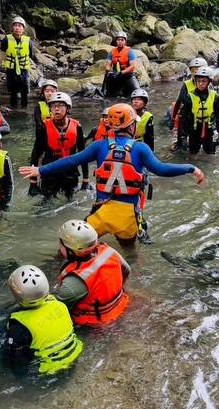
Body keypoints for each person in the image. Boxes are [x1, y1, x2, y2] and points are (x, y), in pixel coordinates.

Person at [19, 104, 205, 245]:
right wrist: (190, 168)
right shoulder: (140, 148)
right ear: (131, 126)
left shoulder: (100, 145)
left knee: (76, 245)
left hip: (101, 213)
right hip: (127, 217)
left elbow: (71, 160)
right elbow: (162, 170)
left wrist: (40, 170)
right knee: (131, 252)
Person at [6, 265, 83, 373]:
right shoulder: (60, 305)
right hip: (74, 356)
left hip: (49, 370)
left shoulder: (19, 326)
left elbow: (14, 357)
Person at [56, 220, 131, 326]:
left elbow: (57, 308)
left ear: (70, 250)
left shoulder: (72, 283)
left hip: (96, 324)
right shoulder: (110, 252)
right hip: (122, 304)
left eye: (61, 242)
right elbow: (127, 271)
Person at [29, 92, 88, 200]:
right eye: (53, 106)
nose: (56, 109)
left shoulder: (77, 127)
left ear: (68, 108)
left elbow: (83, 153)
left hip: (70, 171)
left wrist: (86, 179)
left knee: (70, 200)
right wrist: (33, 181)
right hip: (50, 170)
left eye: (60, 106)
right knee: (47, 201)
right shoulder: (43, 128)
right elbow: (36, 153)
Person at [178, 67, 219, 154]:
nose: (200, 84)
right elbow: (184, 117)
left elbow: (218, 115)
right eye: (198, 81)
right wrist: (183, 136)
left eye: (203, 81)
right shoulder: (189, 97)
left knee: (210, 155)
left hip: (209, 130)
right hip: (194, 130)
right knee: (193, 154)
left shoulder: (215, 96)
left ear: (209, 82)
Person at [169, 56, 207, 150]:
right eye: (193, 70)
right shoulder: (187, 84)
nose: (196, 72)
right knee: (182, 144)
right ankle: (178, 143)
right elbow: (179, 102)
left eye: (198, 70)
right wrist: (173, 119)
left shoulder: (209, 85)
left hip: (200, 117)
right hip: (186, 116)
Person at [0, 16, 36, 109]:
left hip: (23, 70)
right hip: (11, 69)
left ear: (23, 29)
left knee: (24, 92)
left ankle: (24, 109)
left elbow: (30, 55)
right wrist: (3, 64)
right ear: (12, 28)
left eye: (20, 26)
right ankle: (13, 109)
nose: (17, 28)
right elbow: (3, 54)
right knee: (13, 92)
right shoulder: (6, 40)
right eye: (15, 25)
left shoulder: (29, 42)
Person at [103, 31, 140, 97]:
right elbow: (108, 65)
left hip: (128, 75)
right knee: (108, 94)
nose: (120, 41)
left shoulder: (130, 51)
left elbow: (132, 66)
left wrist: (121, 73)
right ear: (116, 41)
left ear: (125, 41)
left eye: (122, 40)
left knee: (137, 92)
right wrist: (107, 73)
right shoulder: (111, 52)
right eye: (118, 40)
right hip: (116, 75)